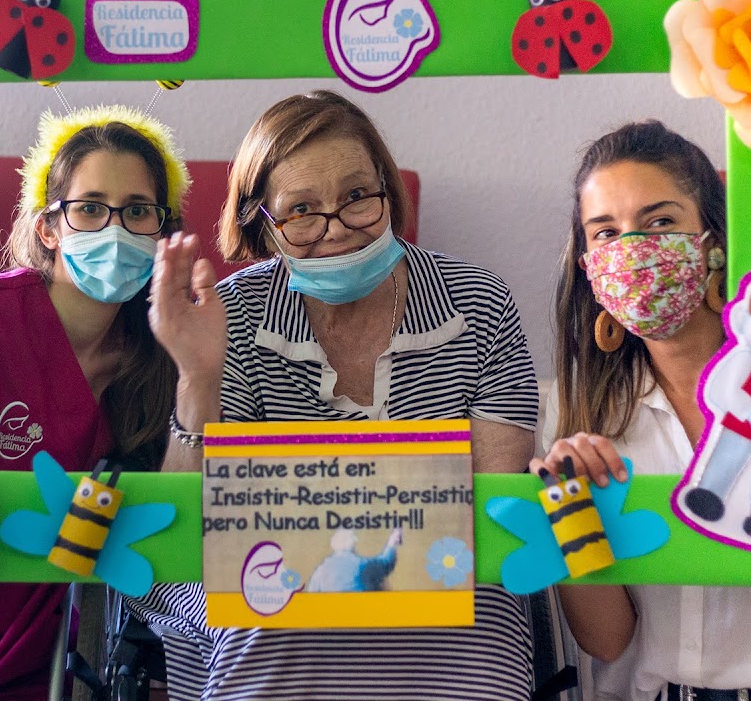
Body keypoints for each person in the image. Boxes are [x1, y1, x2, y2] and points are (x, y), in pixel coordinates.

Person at [136, 89, 539, 700]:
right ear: (262, 223)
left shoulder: (479, 302)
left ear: (387, 192)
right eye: (301, 210)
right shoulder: (235, 312)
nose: (338, 230)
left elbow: (492, 510)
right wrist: (197, 378)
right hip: (275, 609)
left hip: (452, 603)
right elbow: (191, 531)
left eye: (356, 196)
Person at [0, 104, 190, 701]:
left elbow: (176, 531)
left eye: (138, 210)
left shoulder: (166, 351)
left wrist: (198, 373)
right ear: (49, 228)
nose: (115, 229)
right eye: (90, 207)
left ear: (161, 233)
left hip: (62, 652)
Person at [531, 120, 751, 701]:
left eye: (660, 222)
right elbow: (606, 640)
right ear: (588, 265)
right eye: (606, 232)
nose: (633, 250)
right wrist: (566, 503)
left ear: (713, 241)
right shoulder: (577, 411)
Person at [306, 528, 402, 593]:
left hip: (332, 613)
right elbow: (386, 562)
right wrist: (392, 542)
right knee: (381, 584)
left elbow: (311, 595)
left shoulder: (321, 569)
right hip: (359, 612)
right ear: (353, 545)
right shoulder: (362, 565)